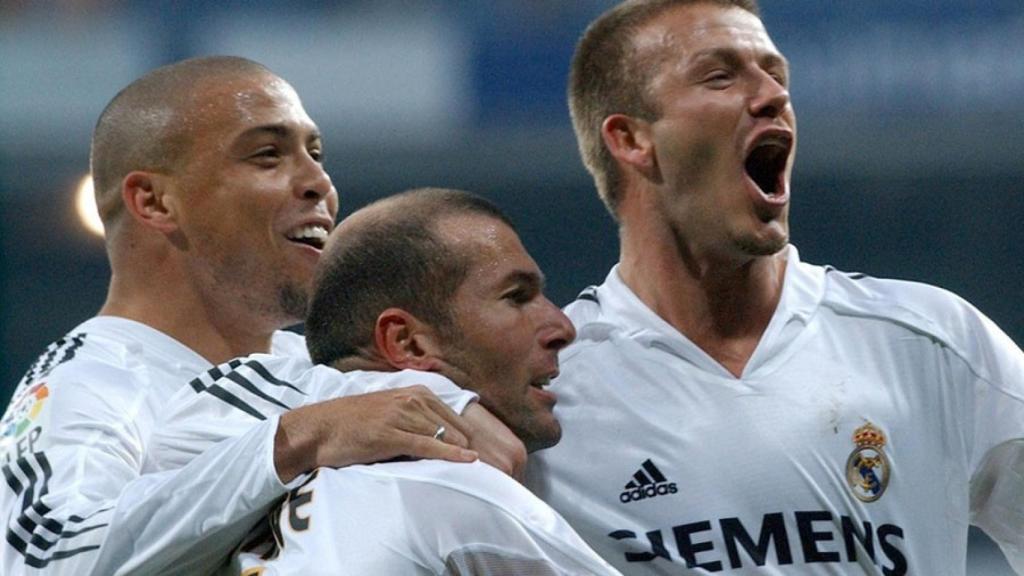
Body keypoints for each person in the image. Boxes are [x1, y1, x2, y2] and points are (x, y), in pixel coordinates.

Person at [525, 1, 1024, 575]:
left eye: (776, 74)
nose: (772, 95)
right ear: (632, 139)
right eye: (720, 75)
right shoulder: (545, 387)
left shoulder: (930, 342)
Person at [0, 57, 520, 576]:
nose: (320, 182)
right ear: (155, 201)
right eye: (268, 155)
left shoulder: (324, 373)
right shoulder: (89, 383)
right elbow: (49, 561)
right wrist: (292, 441)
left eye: (316, 155)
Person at [143, 187, 622, 575]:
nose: (562, 326)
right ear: (409, 345)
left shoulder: (233, 479)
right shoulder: (453, 492)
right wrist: (434, 403)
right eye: (517, 297)